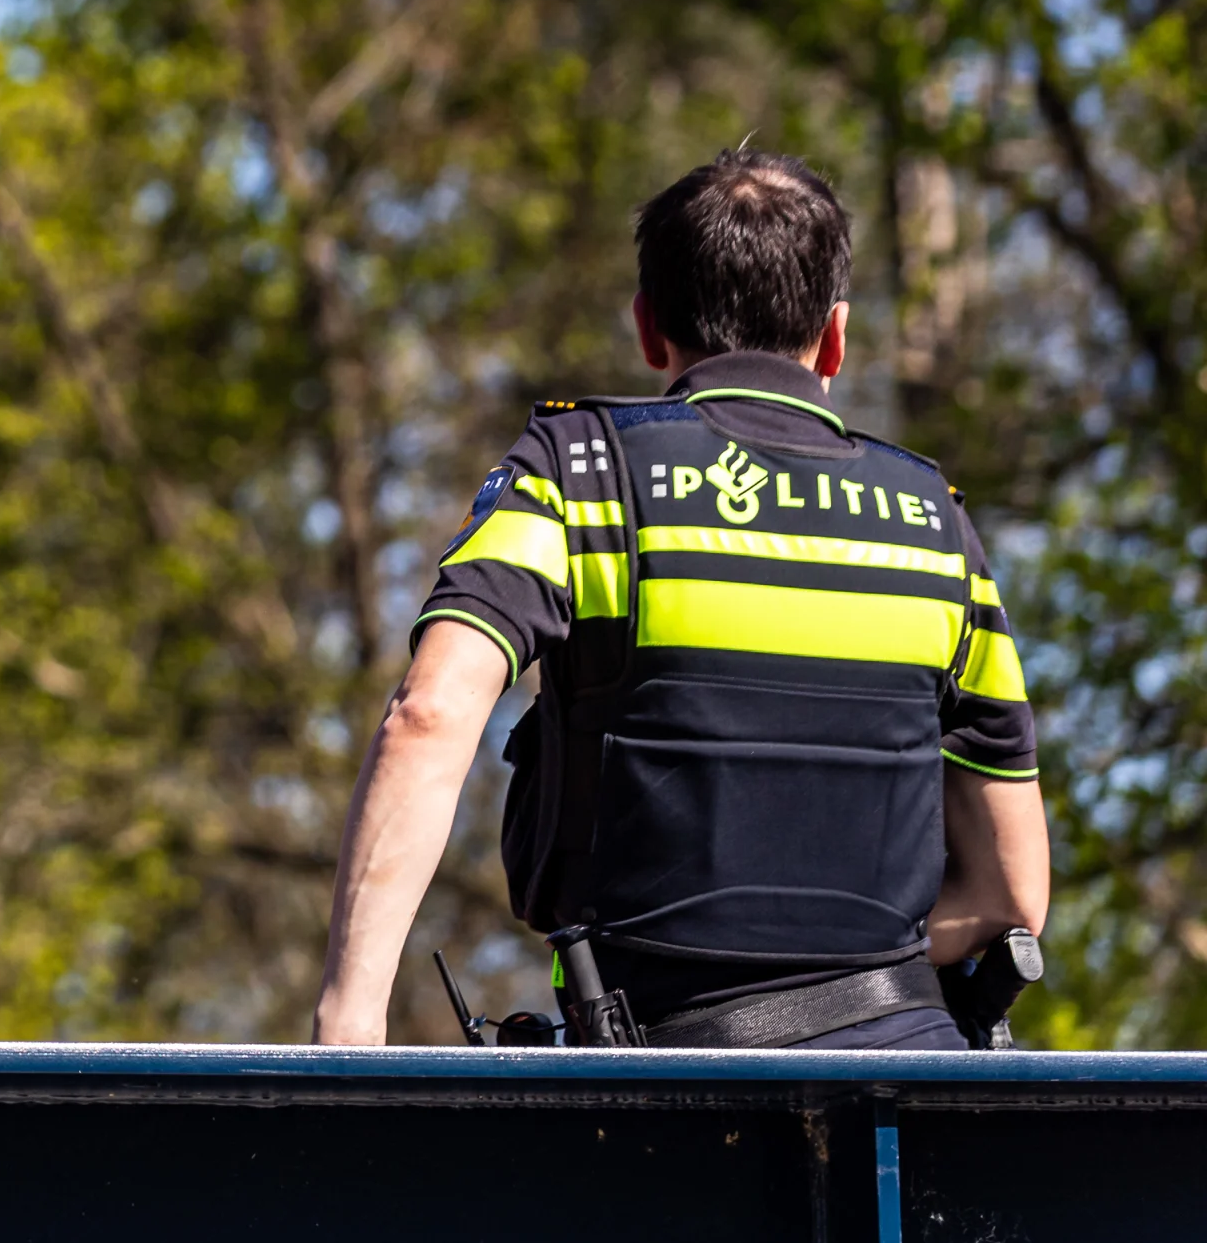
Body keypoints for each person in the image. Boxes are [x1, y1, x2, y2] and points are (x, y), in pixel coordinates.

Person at [316, 148, 1050, 1049]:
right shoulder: (939, 526)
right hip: (902, 1089)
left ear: (648, 327)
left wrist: (350, 1016)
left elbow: (429, 713)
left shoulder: (578, 473)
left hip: (653, 1102)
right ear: (836, 337)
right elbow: (1014, 894)